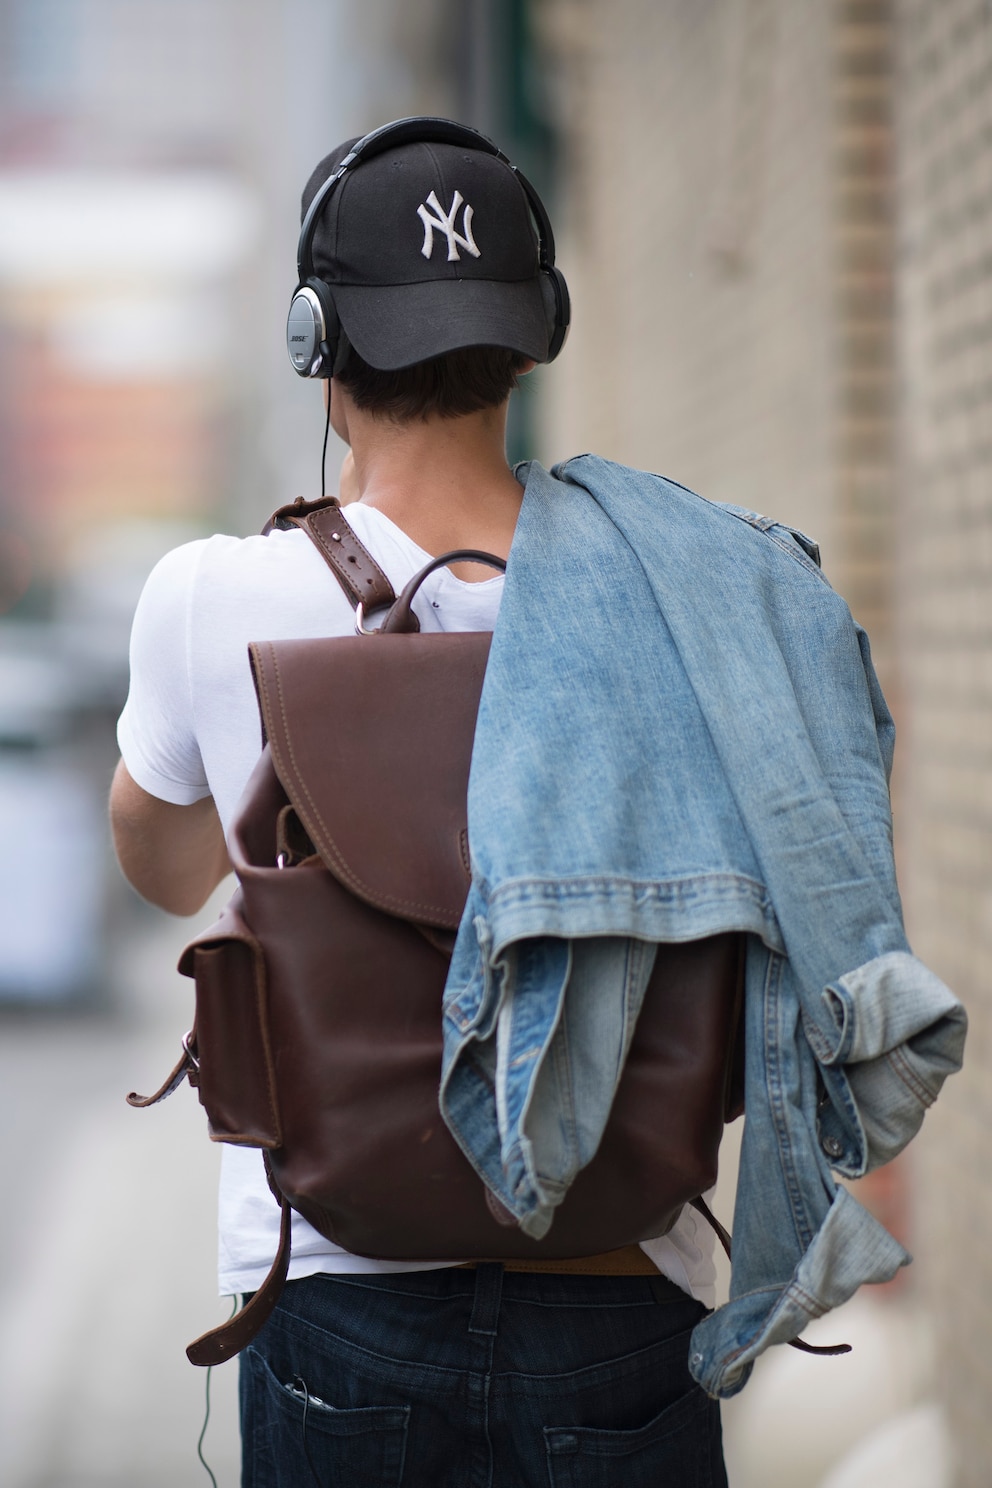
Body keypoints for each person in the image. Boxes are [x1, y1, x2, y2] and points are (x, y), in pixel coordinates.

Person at [110, 118, 964, 1486]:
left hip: (339, 1295)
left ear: (314, 340)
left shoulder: (210, 600)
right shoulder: (682, 589)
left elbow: (160, 866)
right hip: (624, 1286)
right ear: (530, 336)